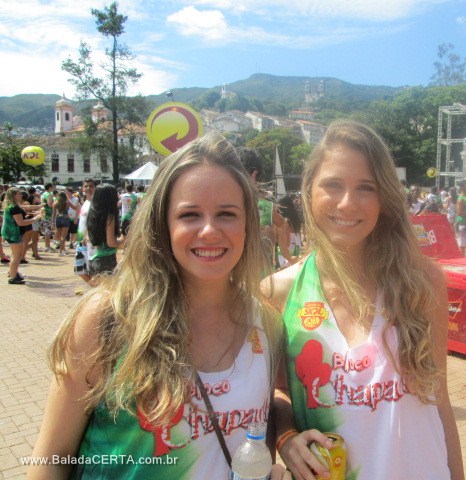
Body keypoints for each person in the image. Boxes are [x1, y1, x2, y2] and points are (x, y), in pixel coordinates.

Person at [27, 132, 291, 480]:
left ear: (247, 225)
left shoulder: (268, 322)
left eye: (227, 214)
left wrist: (285, 443)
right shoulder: (109, 317)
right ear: (162, 224)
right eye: (190, 215)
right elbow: (51, 458)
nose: (209, 230)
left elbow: (266, 417)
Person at [266, 120, 464, 480]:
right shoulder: (277, 292)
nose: (347, 203)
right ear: (308, 190)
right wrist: (286, 438)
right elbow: (277, 390)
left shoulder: (423, 281)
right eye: (333, 185)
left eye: (365, 188)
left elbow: (440, 398)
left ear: (384, 198)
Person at [236, 147, 293, 271]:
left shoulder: (222, 205)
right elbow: (283, 225)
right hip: (262, 280)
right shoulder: (266, 206)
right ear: (255, 174)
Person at [1, 187, 42, 284]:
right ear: (14, 196)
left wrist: (37, 209)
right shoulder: (14, 207)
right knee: (17, 256)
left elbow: (23, 212)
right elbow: (20, 222)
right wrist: (35, 219)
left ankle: (12, 272)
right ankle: (13, 277)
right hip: (13, 234)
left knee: (15, 255)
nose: (21, 195)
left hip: (11, 233)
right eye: (19, 194)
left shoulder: (13, 205)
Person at [86, 184, 122, 277]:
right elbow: (111, 243)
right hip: (106, 260)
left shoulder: (92, 213)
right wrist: (124, 241)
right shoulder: (109, 216)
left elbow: (87, 238)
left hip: (93, 259)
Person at [75, 178, 96, 284]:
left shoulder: (95, 203)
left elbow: (94, 221)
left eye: (91, 186)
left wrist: (87, 234)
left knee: (89, 270)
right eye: (86, 186)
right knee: (80, 270)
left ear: (95, 188)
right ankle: (97, 291)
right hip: (81, 241)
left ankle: (98, 293)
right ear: (82, 188)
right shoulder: (85, 202)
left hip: (89, 242)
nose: (88, 188)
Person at [276, 194, 303, 269]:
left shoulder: (284, 222)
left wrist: (290, 260)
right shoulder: (295, 219)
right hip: (296, 246)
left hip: (287, 252)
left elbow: (284, 244)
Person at [53, 191, 71, 256]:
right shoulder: (66, 203)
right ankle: (61, 251)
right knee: (63, 236)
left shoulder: (55, 203)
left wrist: (53, 222)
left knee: (60, 236)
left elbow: (54, 214)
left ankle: (63, 249)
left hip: (58, 218)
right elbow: (74, 207)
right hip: (66, 218)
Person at [40, 183, 55, 252]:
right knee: (48, 231)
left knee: (47, 231)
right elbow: (50, 204)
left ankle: (47, 245)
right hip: (48, 214)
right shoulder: (49, 194)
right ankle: (47, 246)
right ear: (49, 187)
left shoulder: (43, 194)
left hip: (44, 213)